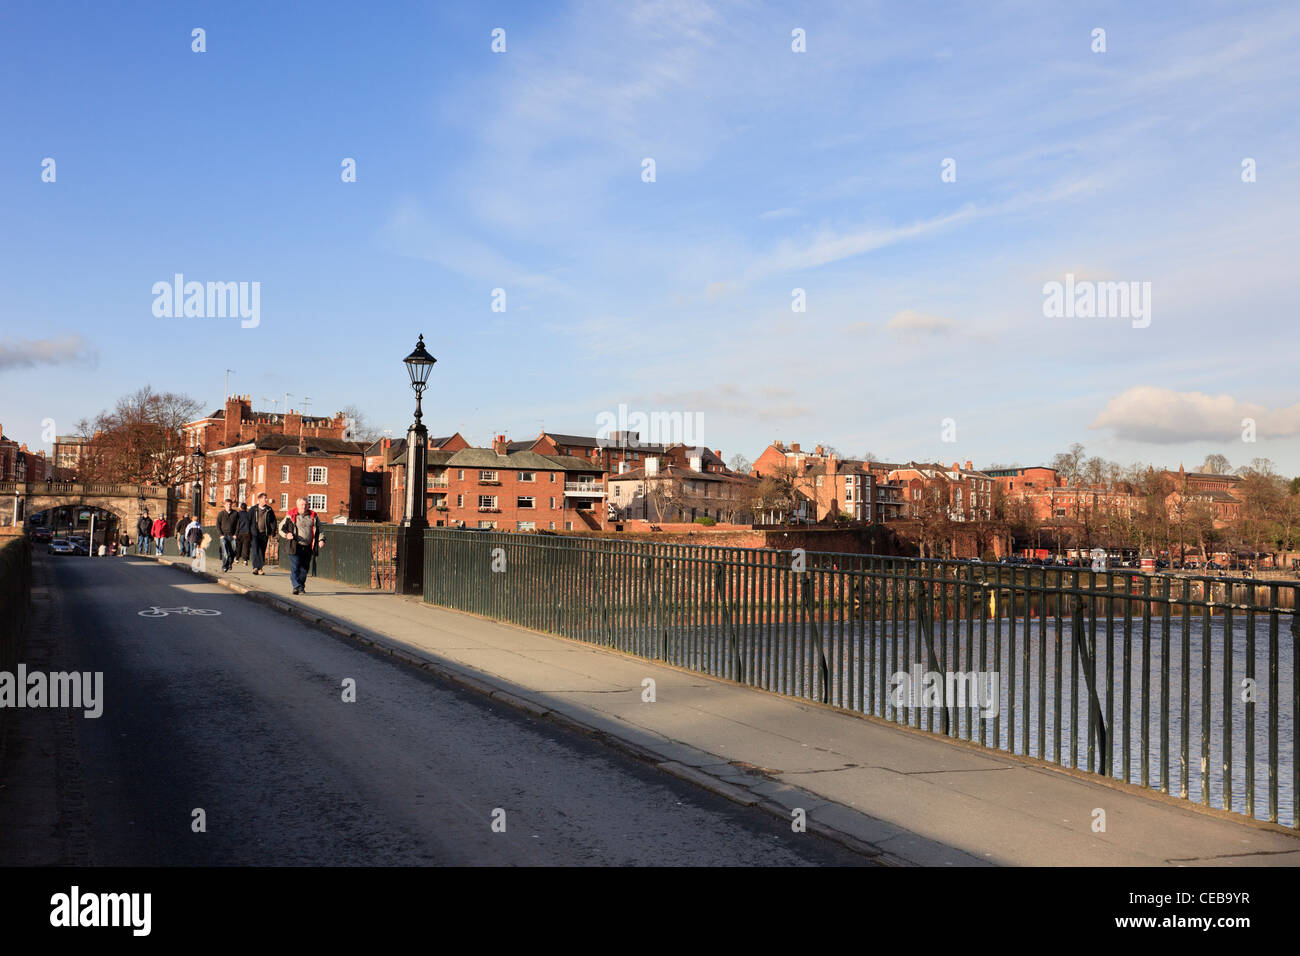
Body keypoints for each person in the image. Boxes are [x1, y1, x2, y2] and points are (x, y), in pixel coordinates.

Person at [279, 497, 322, 595]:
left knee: (304, 568)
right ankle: (296, 586)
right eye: (302, 504)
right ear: (297, 505)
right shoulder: (291, 515)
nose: (304, 506)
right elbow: (281, 528)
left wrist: (321, 539)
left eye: (306, 504)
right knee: (296, 566)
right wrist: (287, 535)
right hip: (295, 545)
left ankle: (301, 587)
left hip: (308, 546)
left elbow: (320, 529)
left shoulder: (313, 516)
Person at [249, 492, 276, 576]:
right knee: (255, 550)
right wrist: (248, 532)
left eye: (266, 498)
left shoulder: (269, 509)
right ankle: (255, 568)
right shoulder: (253, 509)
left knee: (262, 551)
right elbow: (248, 521)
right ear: (260, 499)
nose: (266, 500)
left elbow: (273, 520)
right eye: (265, 498)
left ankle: (260, 568)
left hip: (265, 533)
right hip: (254, 533)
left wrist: (274, 529)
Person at [216, 498, 238, 572]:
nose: (229, 506)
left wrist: (236, 534)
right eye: (227, 504)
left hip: (232, 536)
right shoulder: (221, 514)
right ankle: (224, 566)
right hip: (224, 536)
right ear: (224, 505)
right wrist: (220, 535)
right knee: (225, 552)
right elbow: (218, 525)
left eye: (230, 504)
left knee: (234, 551)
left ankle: (229, 563)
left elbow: (238, 525)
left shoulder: (235, 513)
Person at [235, 501, 252, 566]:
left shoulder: (238, 514)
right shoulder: (248, 515)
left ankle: (237, 559)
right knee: (246, 547)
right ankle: (245, 560)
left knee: (238, 546)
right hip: (247, 533)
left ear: (240, 508)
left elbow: (236, 524)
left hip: (239, 532)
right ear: (246, 508)